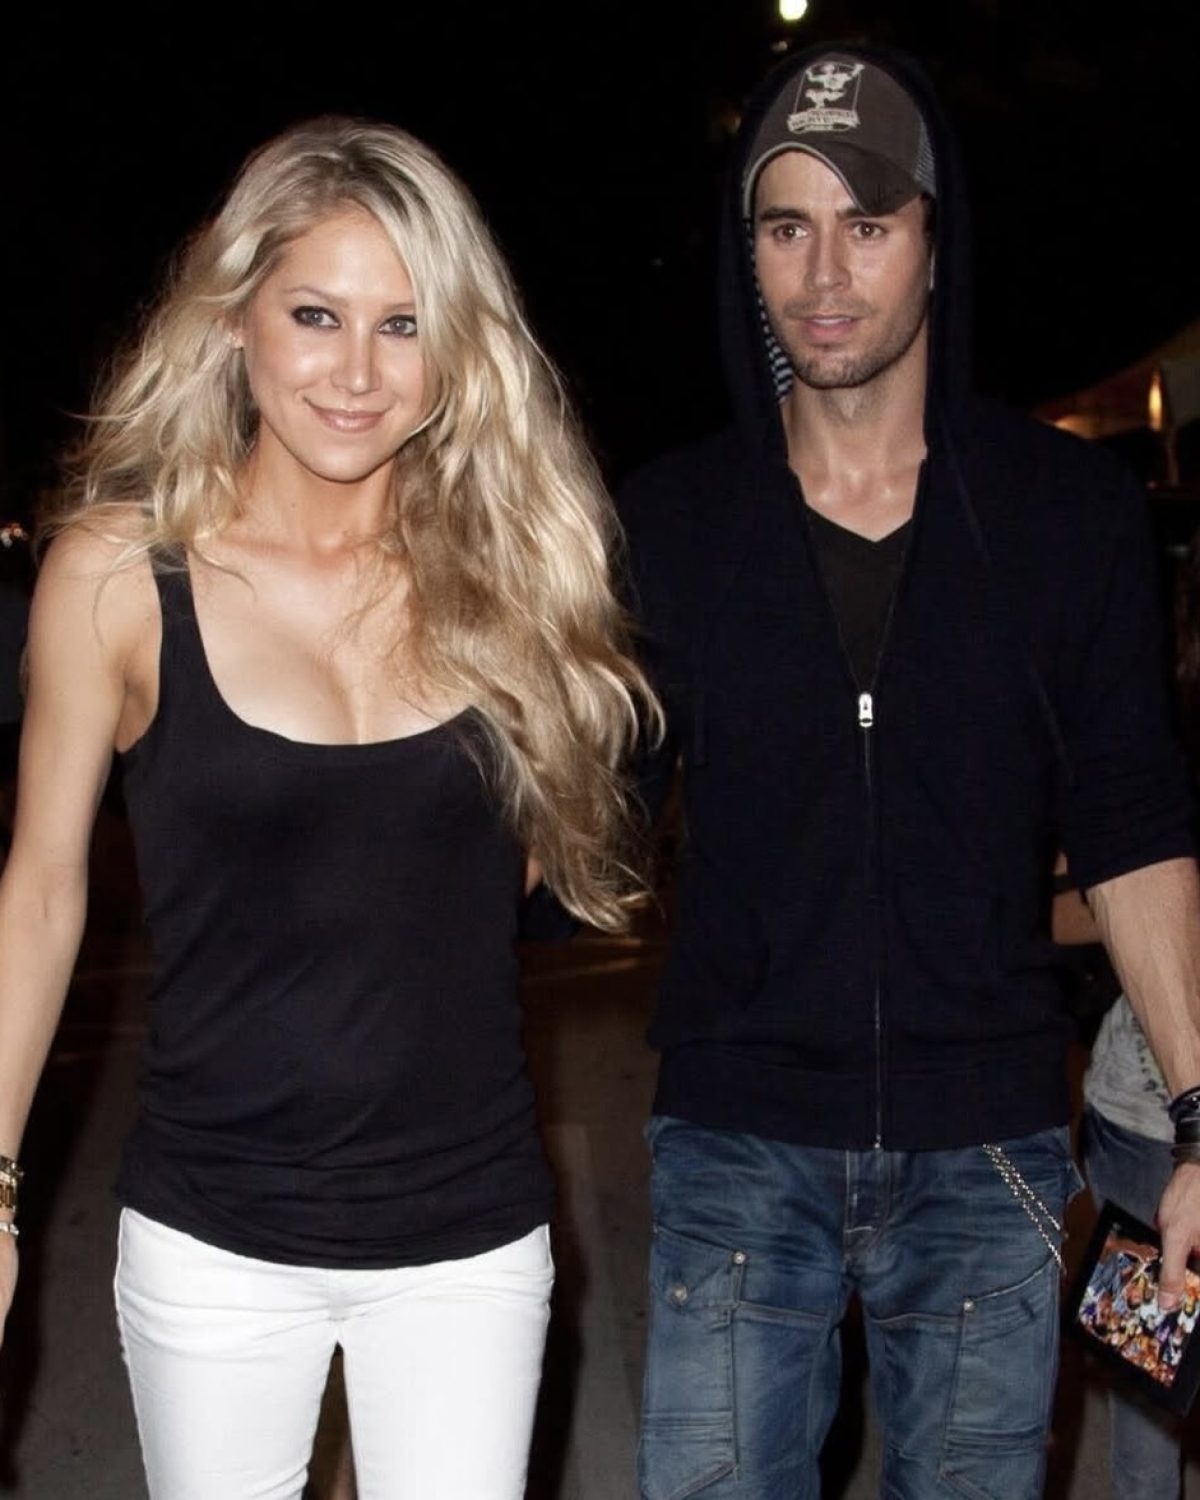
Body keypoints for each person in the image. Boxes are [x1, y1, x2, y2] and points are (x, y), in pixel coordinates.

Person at [0, 117, 657, 1500]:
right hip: (216, 1237)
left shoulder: (510, 582)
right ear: (234, 316)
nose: (357, 372)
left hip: (468, 1236)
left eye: (402, 324)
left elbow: (500, 878)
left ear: (454, 351)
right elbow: (43, 894)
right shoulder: (119, 574)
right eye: (316, 315)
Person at [619, 42, 1200, 1500]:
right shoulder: (672, 526)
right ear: (747, 250)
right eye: (787, 225)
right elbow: (578, 826)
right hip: (740, 1139)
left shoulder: (1063, 516)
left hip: (987, 1148)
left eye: (868, 223)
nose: (825, 272)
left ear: (937, 240)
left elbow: (1132, 827)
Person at [1053, 521, 1200, 1500]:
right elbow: (1075, 903)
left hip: (1139, 1108)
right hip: (1144, 1115)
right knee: (1150, 1403)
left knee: (1150, 1407)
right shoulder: (1147, 726)